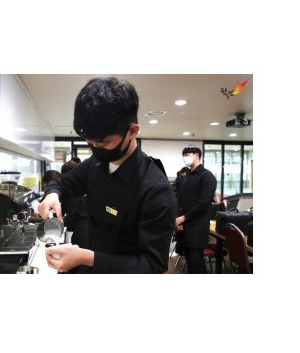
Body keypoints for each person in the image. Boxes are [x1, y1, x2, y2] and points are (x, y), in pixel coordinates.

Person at [38, 76, 176, 274]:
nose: (95, 149)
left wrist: (86, 257)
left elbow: (152, 265)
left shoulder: (156, 191)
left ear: (132, 131)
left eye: (102, 143)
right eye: (90, 143)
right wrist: (52, 194)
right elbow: (63, 184)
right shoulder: (94, 164)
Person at [175, 146, 217, 274]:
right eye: (184, 156)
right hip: (184, 227)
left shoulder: (207, 176)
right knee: (190, 264)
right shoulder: (186, 176)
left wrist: (184, 217)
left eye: (187, 155)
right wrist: (177, 219)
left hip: (197, 227)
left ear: (196, 155)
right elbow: (179, 199)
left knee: (196, 263)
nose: (185, 158)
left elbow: (203, 203)